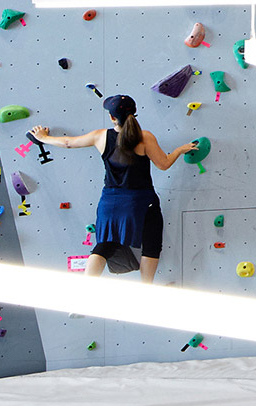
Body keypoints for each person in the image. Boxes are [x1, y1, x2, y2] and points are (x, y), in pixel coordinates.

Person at [29, 94, 194, 278]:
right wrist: (180, 150)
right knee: (151, 245)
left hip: (111, 202)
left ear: (112, 117)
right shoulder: (145, 137)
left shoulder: (101, 136)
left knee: (104, 245)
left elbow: (68, 143)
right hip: (141, 202)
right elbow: (163, 164)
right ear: (134, 113)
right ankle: (147, 293)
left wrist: (44, 137)